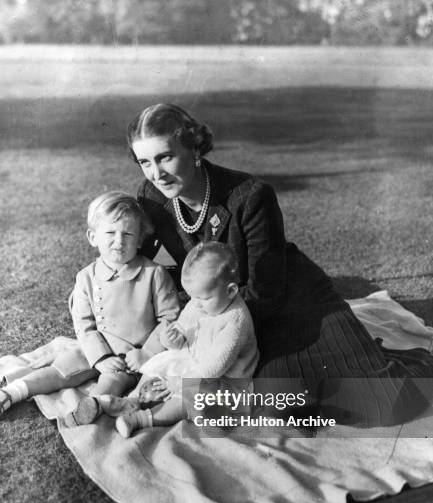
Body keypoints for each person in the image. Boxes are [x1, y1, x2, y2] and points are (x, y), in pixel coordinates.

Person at [126, 102, 433, 427]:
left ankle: (419, 363)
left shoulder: (251, 195)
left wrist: (215, 334)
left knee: (382, 404)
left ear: (194, 148)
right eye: (145, 162)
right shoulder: (151, 197)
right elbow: (163, 268)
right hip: (220, 314)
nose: (156, 173)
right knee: (278, 407)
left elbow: (265, 291)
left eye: (165, 157)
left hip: (286, 301)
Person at [0, 192, 180, 425]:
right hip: (94, 347)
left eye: (128, 234)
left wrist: (146, 353)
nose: (119, 241)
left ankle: (88, 410)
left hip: (131, 357)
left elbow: (170, 318)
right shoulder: (86, 277)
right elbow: (84, 324)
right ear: (93, 237)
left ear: (139, 241)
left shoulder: (153, 274)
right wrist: (99, 356)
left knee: (110, 382)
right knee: (62, 369)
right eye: (110, 233)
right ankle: (12, 392)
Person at [114, 241, 259, 438]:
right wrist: (173, 339)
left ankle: (142, 419)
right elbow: (184, 329)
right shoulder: (199, 302)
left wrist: (179, 383)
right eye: (192, 297)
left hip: (220, 379)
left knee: (195, 398)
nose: (196, 304)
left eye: (203, 298)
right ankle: (134, 398)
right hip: (194, 359)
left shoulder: (235, 321)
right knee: (162, 360)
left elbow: (213, 369)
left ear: (231, 291)